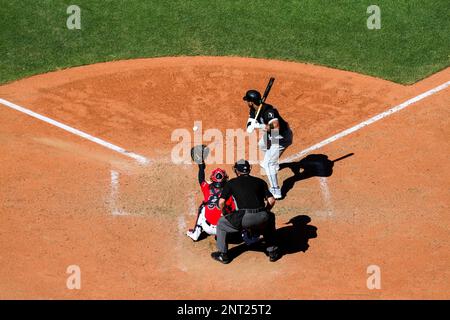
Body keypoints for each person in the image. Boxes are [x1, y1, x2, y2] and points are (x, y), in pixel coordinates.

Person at [211, 159, 280, 264]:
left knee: (221, 223)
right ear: (249, 169)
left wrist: (225, 212)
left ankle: (223, 255)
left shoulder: (231, 183)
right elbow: (271, 200)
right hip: (262, 216)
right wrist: (265, 212)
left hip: (244, 218)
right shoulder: (260, 182)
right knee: (270, 218)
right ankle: (273, 252)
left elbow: (221, 202)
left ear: (236, 171)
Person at [244, 89, 293, 199]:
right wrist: (250, 125)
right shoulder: (253, 109)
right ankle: (272, 162)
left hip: (281, 137)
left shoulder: (268, 110)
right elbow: (250, 120)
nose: (246, 102)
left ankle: (276, 190)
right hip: (272, 135)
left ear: (251, 102)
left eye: (247, 100)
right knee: (262, 145)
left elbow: (276, 126)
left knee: (269, 164)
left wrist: (259, 126)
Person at [186, 163, 235, 241]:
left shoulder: (207, 188)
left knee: (203, 206)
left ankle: (195, 234)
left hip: (207, 228)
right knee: (233, 208)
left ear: (212, 179)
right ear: (225, 179)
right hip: (224, 229)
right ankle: (240, 233)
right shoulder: (230, 191)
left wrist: (201, 168)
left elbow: (201, 179)